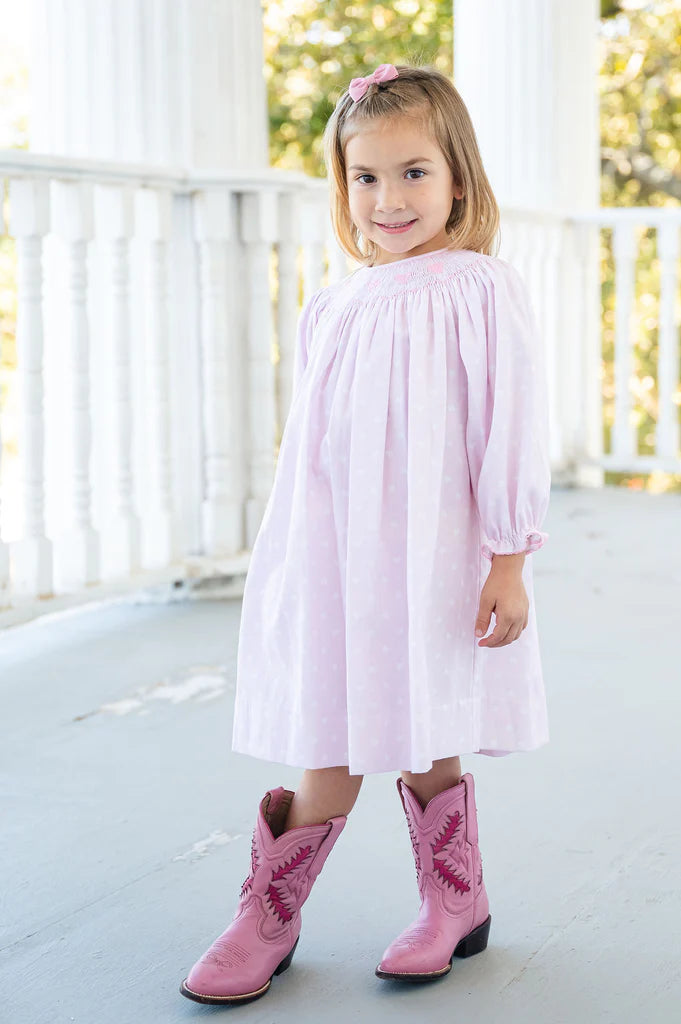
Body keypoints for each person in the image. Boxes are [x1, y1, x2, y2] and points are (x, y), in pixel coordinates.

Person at [180, 61, 552, 1006]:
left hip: (432, 554)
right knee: (331, 731)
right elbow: (315, 447)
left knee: (427, 726)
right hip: (337, 552)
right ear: (343, 185)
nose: (389, 199)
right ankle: (268, 911)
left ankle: (453, 901)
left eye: (413, 173)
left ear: (456, 177)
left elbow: (506, 423)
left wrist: (508, 558)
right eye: (366, 177)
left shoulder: (477, 287)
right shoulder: (334, 303)